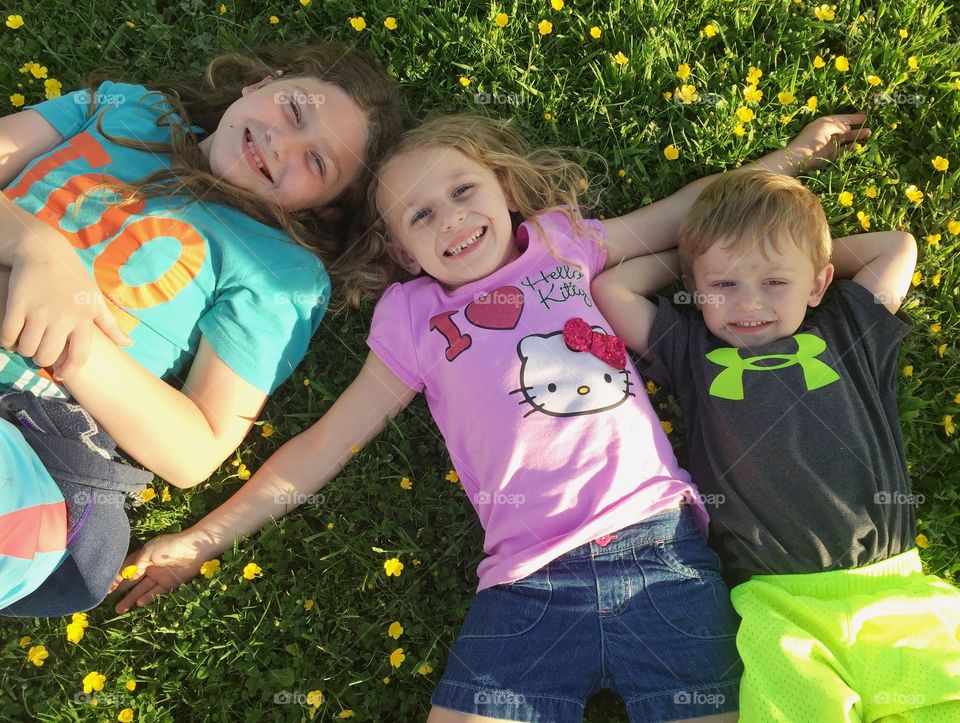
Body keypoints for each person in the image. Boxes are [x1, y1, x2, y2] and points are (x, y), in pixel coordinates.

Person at [112, 112, 866, 722]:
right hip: (526, 584)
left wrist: (789, 159)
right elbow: (323, 444)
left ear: (506, 188)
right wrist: (201, 540)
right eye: (421, 215)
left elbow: (683, 213)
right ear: (401, 252)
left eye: (464, 190)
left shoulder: (566, 247)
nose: (452, 219)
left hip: (661, 557)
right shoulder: (412, 320)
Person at [0, 43, 403, 616]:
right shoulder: (127, 110)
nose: (281, 145)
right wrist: (34, 247)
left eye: (318, 163)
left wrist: (72, 339)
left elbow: (196, 448)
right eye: (292, 110)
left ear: (326, 209)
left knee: (70, 542)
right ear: (260, 83)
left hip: (34, 439)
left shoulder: (280, 271)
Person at [592, 169, 960, 721]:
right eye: (724, 285)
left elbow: (897, 247)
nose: (748, 302)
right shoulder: (692, 350)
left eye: (775, 282)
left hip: (895, 592)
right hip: (773, 605)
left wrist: (802, 255)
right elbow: (610, 289)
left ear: (818, 284)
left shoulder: (846, 330)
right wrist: (692, 262)